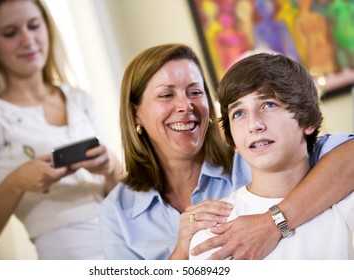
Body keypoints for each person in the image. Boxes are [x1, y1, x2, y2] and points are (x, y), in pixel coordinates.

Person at [99, 43, 354, 260]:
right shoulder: (118, 212)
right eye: (166, 95)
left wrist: (272, 223)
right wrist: (181, 254)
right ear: (135, 115)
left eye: (195, 92)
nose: (185, 106)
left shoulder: (258, 155)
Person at [0, 0, 122, 260]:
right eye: (10, 33)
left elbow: (125, 201)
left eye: (34, 26)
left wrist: (111, 167)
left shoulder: (80, 100)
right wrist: (17, 183)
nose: (28, 40)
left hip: (131, 244)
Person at [190, 53, 354, 259]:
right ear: (232, 140)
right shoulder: (214, 235)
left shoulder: (347, 203)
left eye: (269, 104)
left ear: (308, 120)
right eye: (239, 113)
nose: (254, 125)